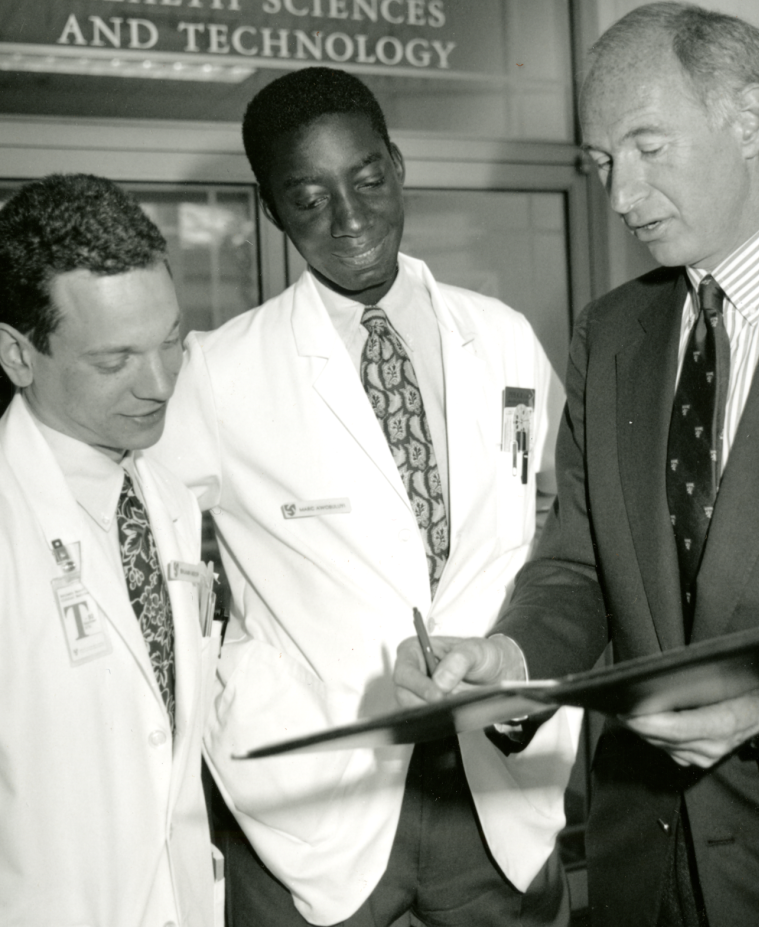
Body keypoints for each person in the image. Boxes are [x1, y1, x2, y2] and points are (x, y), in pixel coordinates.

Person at [153, 66, 580, 927]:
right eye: (308, 199)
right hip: (316, 795)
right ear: (271, 211)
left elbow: (566, 532)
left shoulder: (499, 338)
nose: (349, 220)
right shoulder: (222, 371)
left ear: (398, 165)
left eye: (368, 180)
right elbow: (148, 551)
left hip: (494, 786)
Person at [394, 4, 759, 927]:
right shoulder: (611, 334)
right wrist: (510, 657)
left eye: (647, 147)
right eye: (602, 164)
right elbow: (579, 563)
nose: (621, 195)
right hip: (643, 857)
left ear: (751, 119)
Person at [0, 173, 221, 927]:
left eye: (170, 343)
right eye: (114, 360)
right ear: (18, 355)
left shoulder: (169, 501)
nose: (159, 384)